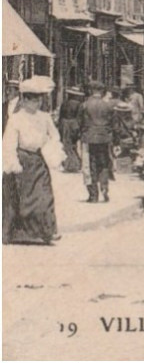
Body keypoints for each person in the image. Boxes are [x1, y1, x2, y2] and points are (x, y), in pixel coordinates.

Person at [3, 75, 64, 244]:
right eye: (32, 100)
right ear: (24, 100)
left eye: (38, 100)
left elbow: (54, 136)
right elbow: (9, 142)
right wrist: (12, 162)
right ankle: (18, 233)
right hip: (21, 161)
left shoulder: (44, 117)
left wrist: (54, 153)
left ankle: (48, 231)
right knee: (19, 199)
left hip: (38, 160)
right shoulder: (16, 119)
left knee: (44, 196)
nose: (36, 103)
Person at [80, 80, 116, 203]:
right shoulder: (108, 106)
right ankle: (105, 188)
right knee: (104, 164)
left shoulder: (85, 105)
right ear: (101, 92)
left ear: (91, 90)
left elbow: (80, 122)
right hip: (104, 138)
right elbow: (113, 123)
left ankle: (93, 195)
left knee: (89, 166)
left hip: (89, 138)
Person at [57, 87, 83, 173]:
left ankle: (68, 164)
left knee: (66, 145)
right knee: (73, 144)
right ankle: (75, 164)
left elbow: (60, 117)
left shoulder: (64, 103)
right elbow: (79, 118)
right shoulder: (79, 104)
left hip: (64, 125)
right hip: (73, 125)